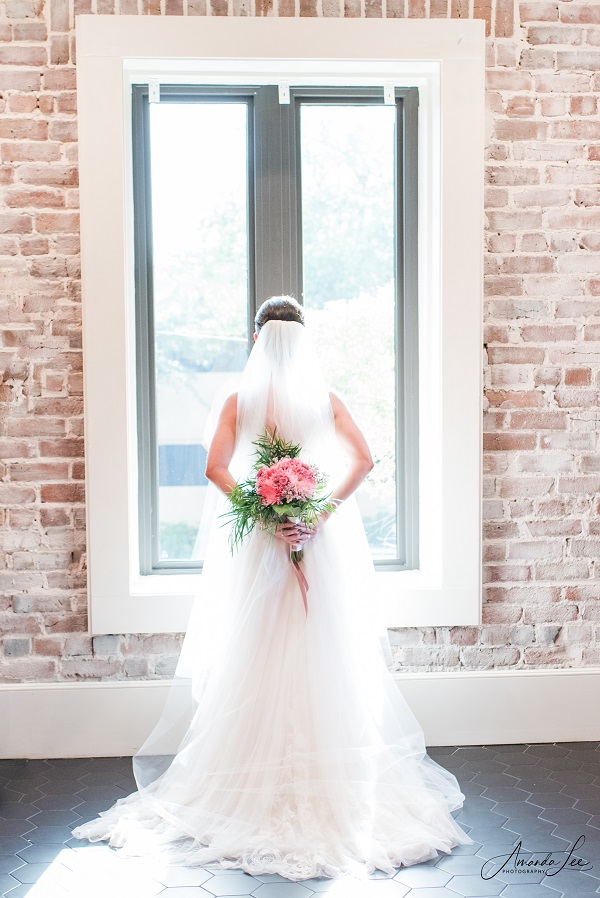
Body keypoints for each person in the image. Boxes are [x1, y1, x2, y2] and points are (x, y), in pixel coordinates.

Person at [72, 296, 473, 882]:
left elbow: (214, 468)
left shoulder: (240, 401)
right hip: (316, 539)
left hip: (260, 544)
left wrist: (264, 512)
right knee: (323, 650)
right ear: (304, 341)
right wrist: (315, 515)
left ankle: (248, 782)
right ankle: (332, 782)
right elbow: (363, 460)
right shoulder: (325, 401)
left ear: (254, 340)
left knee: (256, 650)